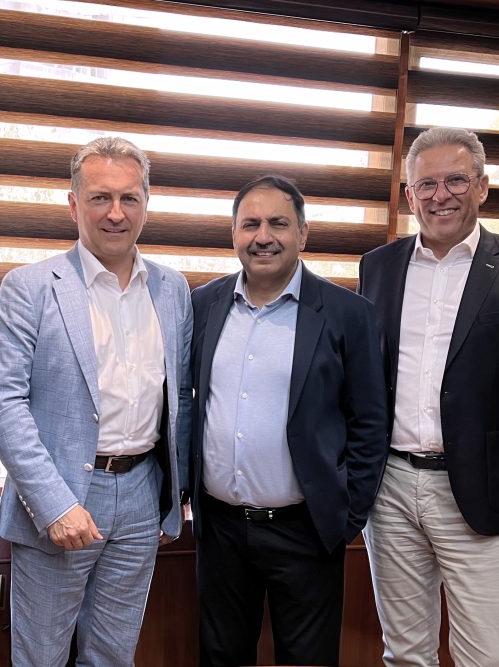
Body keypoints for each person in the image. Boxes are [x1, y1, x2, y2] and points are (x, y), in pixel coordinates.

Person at [357, 126, 499, 667]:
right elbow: (361, 379)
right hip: (391, 490)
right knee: (404, 653)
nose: (441, 196)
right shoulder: (378, 266)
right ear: (409, 196)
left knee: (485, 657)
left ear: (482, 187)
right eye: (426, 185)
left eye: (456, 180)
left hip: (485, 495)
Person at [0, 136, 192, 666]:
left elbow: (180, 400)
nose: (115, 213)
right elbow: (3, 404)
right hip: (61, 496)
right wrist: (55, 505)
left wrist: (172, 499)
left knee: (113, 657)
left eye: (129, 198)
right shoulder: (29, 287)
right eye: (100, 197)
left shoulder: (173, 289)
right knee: (41, 658)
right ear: (74, 204)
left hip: (142, 496)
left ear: (147, 204)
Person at [188, 175, 389, 667]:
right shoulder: (203, 305)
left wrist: (346, 517)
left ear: (303, 233)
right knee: (220, 657)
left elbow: (370, 424)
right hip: (220, 530)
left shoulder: (348, 314)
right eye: (250, 224)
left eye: (278, 223)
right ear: (233, 234)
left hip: (306, 530)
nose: (263, 237)